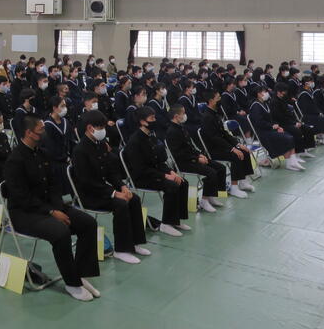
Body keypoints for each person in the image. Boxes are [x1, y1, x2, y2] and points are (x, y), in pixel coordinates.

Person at [4, 115, 100, 301]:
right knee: (61, 232)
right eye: (41, 130)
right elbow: (22, 197)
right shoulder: (15, 160)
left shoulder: (43, 153)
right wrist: (51, 212)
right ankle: (72, 283)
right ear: (29, 133)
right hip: (24, 213)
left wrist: (57, 208)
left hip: (49, 206)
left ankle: (80, 274)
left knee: (88, 223)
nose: (44, 133)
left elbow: (54, 185)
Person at [72, 110, 150, 264]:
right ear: (90, 128)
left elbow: (110, 171)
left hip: (102, 190)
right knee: (121, 204)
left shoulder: (101, 145)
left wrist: (122, 186)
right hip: (89, 195)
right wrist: (114, 193)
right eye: (100, 127)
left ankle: (135, 243)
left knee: (134, 199)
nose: (103, 131)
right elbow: (87, 182)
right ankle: (121, 250)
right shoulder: (80, 150)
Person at [123, 107, 190, 236]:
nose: (155, 120)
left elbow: (159, 161)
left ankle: (176, 220)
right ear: (142, 121)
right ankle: (166, 224)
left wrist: (170, 172)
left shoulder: (151, 136)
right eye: (152, 118)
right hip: (142, 177)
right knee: (172, 186)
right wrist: (164, 176)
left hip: (154, 172)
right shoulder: (135, 142)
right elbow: (140, 169)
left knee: (183, 182)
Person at [166, 104, 227, 213]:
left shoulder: (181, 127)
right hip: (183, 163)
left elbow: (190, 147)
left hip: (193, 158)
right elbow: (179, 154)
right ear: (176, 116)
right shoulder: (172, 132)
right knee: (211, 172)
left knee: (221, 168)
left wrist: (199, 155)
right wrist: (196, 159)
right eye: (183, 113)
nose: (185, 115)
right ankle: (204, 201)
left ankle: (211, 196)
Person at [199, 89, 255, 197]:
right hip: (213, 149)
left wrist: (238, 144)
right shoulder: (207, 117)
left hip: (222, 145)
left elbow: (224, 133)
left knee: (245, 151)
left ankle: (243, 181)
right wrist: (232, 149)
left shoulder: (215, 113)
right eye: (218, 98)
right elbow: (214, 138)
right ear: (211, 100)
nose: (220, 100)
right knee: (236, 155)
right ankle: (234, 188)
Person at [270, 83, 315, 164]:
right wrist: (294, 123)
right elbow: (280, 117)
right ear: (278, 92)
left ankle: (304, 150)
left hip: (290, 121)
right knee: (297, 132)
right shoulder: (274, 102)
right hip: (282, 124)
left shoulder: (283, 98)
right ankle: (297, 154)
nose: (285, 93)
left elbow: (289, 114)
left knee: (308, 129)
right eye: (284, 91)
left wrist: (296, 122)